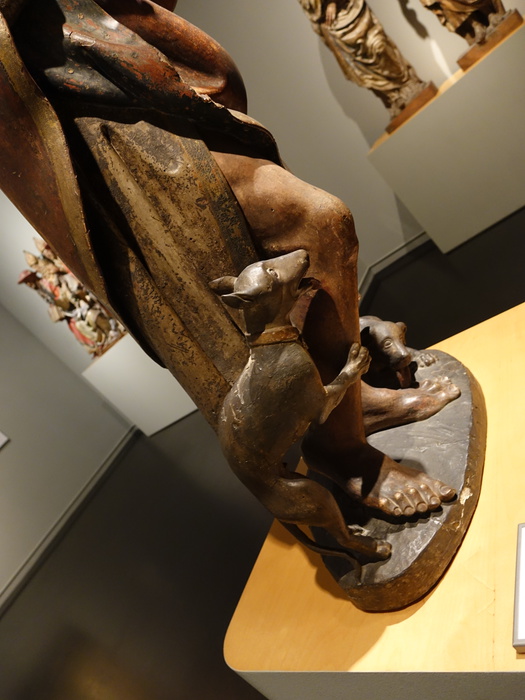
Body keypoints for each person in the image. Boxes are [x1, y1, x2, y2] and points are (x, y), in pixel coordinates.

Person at [1, 0, 457, 521]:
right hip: (86, 114)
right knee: (319, 224)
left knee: (315, 234)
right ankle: (342, 449)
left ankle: (351, 407)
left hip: (126, 71)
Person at [298, 0, 426, 116]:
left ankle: (407, 82)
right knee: (363, 70)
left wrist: (333, 2)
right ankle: (393, 96)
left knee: (378, 47)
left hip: (352, 11)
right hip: (334, 26)